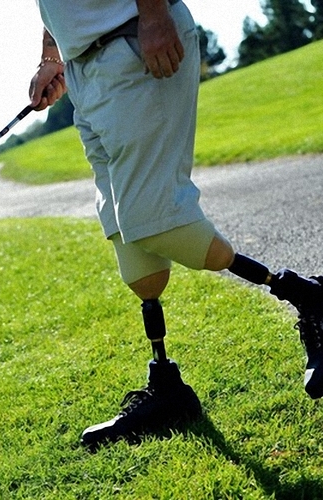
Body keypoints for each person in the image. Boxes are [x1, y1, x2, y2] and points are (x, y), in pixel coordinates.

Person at [28, 0, 323, 449]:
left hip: (134, 43)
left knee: (158, 223)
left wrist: (154, 14)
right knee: (137, 260)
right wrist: (52, 56)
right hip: (84, 71)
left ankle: (309, 296)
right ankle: (168, 391)